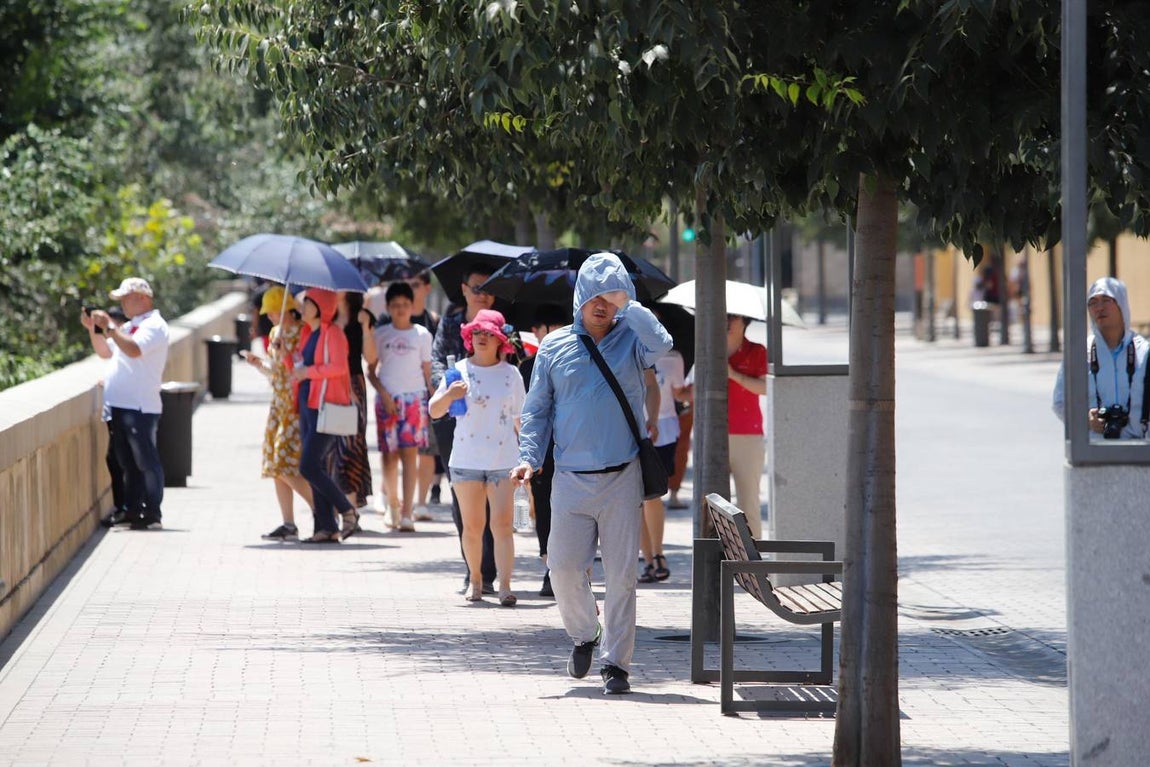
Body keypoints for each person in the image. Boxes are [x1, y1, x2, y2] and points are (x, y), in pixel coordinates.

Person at [512, 252, 672, 696]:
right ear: (580, 296)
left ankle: (616, 665)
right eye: (596, 295)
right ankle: (586, 634)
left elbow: (662, 344)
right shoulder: (553, 346)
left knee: (621, 576)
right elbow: (537, 410)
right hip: (568, 478)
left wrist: (631, 303)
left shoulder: (633, 339)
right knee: (562, 569)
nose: (604, 304)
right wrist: (529, 457)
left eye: (612, 295)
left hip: (623, 476)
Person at [430, 309, 525, 606]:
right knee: (472, 527)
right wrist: (449, 395)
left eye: (488, 334)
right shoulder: (457, 370)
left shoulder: (511, 374)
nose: (482, 338)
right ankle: (475, 580)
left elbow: (522, 419)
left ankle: (506, 586)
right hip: (466, 460)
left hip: (503, 460)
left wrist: (529, 458)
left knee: (502, 525)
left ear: (500, 340)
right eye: (477, 333)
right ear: (469, 338)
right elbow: (434, 410)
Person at [81, 277, 170, 530]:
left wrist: (110, 327)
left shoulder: (154, 326)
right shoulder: (131, 326)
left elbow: (133, 350)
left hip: (140, 406)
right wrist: (93, 328)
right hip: (121, 405)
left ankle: (152, 513)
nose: (122, 304)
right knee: (127, 463)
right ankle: (132, 510)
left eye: (126, 299)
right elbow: (105, 352)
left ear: (143, 297)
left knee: (146, 461)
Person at [431, 265, 499, 593]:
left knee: (493, 497)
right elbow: (435, 363)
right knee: (462, 496)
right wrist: (445, 392)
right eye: (476, 288)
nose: (481, 294)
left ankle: (491, 566)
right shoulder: (449, 324)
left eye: (488, 288)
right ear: (463, 289)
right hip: (454, 420)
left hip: (493, 424)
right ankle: (474, 568)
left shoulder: (504, 328)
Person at [242, 286, 314, 541]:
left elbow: (296, 366)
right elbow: (277, 372)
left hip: (294, 405)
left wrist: (283, 351)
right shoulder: (275, 333)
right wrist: (260, 364)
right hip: (278, 404)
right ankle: (288, 522)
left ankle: (320, 510)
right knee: (276, 465)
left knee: (283, 464)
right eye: (269, 314)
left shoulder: (302, 331)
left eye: (273, 312)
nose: (270, 318)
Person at [291, 288, 358, 543]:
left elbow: (340, 367)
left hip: (325, 405)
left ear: (321, 307)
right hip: (307, 404)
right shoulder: (308, 333)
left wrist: (308, 372)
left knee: (308, 466)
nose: (303, 307)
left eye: (308, 302)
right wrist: (285, 354)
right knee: (314, 466)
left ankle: (346, 509)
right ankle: (326, 527)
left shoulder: (334, 333)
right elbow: (299, 367)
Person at [368, 281, 434, 532]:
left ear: (412, 306)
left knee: (410, 455)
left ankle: (407, 513)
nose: (401, 310)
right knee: (388, 456)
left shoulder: (422, 335)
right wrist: (384, 394)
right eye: (395, 305)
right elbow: (371, 371)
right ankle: (392, 504)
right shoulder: (380, 334)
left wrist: (434, 400)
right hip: (387, 400)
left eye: (405, 305)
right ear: (388, 306)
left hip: (414, 400)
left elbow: (427, 372)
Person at [1053, 277, 1150, 439]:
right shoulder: (1078, 353)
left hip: (1140, 450)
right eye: (1093, 302)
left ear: (1121, 304)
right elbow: (1060, 402)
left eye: (1106, 300)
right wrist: (1085, 419)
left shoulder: (1145, 352)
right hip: (1095, 450)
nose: (1099, 308)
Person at [517, 303, 571, 597]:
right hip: (543, 452)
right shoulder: (527, 366)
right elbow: (528, 412)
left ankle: (575, 570)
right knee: (545, 509)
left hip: (574, 449)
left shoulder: (578, 362)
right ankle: (550, 567)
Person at [639, 345, 685, 583]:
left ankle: (657, 555)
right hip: (626, 430)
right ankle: (648, 560)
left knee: (652, 495)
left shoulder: (672, 357)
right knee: (633, 499)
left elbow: (675, 392)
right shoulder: (617, 347)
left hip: (661, 430)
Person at [332, 291, 375, 537]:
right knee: (331, 448)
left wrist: (366, 328)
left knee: (350, 445)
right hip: (329, 385)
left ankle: (350, 511)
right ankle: (340, 511)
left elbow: (371, 359)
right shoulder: (325, 314)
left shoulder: (362, 316)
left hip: (353, 386)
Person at [405, 268, 445, 520]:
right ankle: (397, 499)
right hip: (405, 392)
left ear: (426, 287)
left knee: (428, 450)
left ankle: (420, 502)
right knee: (405, 450)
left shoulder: (434, 320)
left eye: (415, 283)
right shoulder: (399, 319)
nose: (411, 287)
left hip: (426, 393)